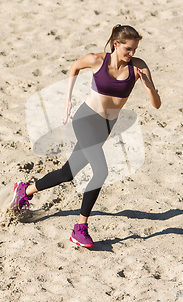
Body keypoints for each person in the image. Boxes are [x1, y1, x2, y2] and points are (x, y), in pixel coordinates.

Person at [11, 25, 161, 247]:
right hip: (85, 120)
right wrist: (67, 100)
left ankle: (25, 190)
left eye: (135, 49)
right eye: (128, 49)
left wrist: (149, 87)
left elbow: (157, 105)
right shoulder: (96, 60)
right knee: (101, 171)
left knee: (67, 172)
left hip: (106, 126)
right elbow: (74, 67)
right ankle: (80, 229)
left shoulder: (138, 67)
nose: (132, 54)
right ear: (116, 44)